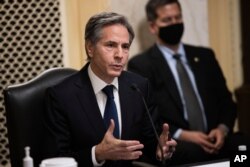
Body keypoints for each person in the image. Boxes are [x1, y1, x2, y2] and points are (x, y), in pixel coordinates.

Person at [43, 12, 177, 167]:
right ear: (90, 48)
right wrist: (97, 153)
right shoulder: (61, 96)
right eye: (111, 45)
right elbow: (54, 159)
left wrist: (159, 149)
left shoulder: (139, 87)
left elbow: (148, 142)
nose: (120, 55)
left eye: (125, 47)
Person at [128, 0, 250, 165]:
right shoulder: (142, 65)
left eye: (178, 18)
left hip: (217, 139)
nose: (174, 24)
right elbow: (148, 116)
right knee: (193, 155)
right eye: (167, 20)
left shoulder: (205, 56)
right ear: (153, 27)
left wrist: (222, 129)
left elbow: (227, 102)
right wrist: (184, 135)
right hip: (181, 144)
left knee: (243, 151)